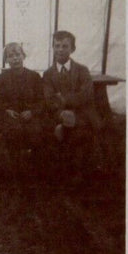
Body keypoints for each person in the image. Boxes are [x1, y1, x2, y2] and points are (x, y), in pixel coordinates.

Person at [43, 30, 101, 176]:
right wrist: (62, 112)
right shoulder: (48, 74)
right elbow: (49, 100)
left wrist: (63, 99)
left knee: (78, 136)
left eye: (65, 46)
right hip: (58, 115)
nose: (60, 50)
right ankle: (60, 177)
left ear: (72, 49)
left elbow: (86, 95)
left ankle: (78, 177)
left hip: (82, 115)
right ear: (53, 48)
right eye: (57, 46)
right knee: (50, 136)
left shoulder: (82, 70)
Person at [0, 42, 45, 169]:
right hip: (11, 117)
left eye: (18, 54)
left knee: (36, 132)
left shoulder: (34, 76)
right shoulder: (3, 77)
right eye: (11, 56)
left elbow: (42, 100)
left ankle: (34, 168)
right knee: (13, 132)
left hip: (31, 116)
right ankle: (15, 169)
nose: (15, 58)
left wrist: (32, 112)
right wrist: (7, 110)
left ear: (23, 56)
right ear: (7, 59)